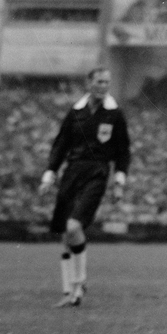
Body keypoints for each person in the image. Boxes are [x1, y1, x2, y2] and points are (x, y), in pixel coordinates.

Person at [39, 66, 130, 308]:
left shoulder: (115, 114)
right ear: (89, 83)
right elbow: (60, 145)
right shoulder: (76, 112)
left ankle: (78, 287)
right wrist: (50, 174)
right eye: (99, 82)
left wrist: (119, 182)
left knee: (73, 226)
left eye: (107, 82)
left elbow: (123, 152)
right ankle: (68, 289)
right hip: (72, 172)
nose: (103, 86)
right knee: (65, 234)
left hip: (97, 172)